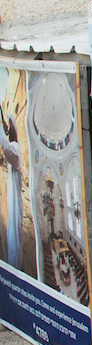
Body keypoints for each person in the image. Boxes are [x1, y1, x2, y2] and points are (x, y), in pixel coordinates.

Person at [0, 112, 22, 270]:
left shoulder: (16, 148)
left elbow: (6, 148)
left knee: (15, 240)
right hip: (13, 197)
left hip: (15, 202)